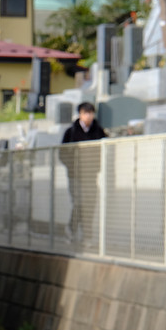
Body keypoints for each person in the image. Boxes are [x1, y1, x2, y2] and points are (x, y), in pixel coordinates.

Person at [60, 102, 107, 242]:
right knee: (79, 202)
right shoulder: (71, 132)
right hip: (75, 176)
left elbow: (105, 151)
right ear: (80, 114)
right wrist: (72, 166)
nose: (88, 116)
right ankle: (72, 230)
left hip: (91, 175)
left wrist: (97, 167)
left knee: (90, 204)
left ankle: (87, 236)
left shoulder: (99, 132)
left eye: (91, 113)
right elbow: (62, 153)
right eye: (85, 112)